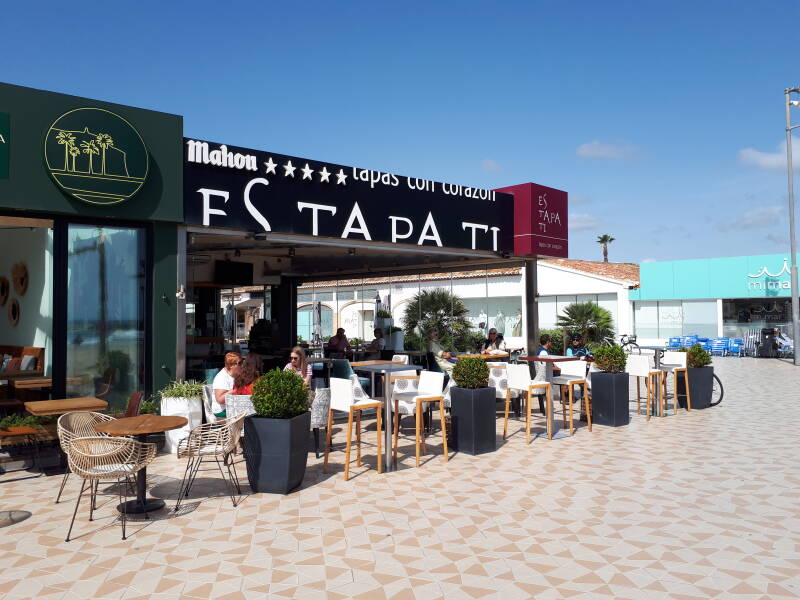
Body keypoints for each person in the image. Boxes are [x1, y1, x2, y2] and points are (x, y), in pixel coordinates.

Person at [212, 352, 241, 418]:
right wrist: (235, 390)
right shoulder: (222, 377)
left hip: (231, 407)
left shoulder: (235, 375)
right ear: (231, 365)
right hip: (222, 410)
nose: (242, 365)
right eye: (239, 363)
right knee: (247, 413)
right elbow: (220, 399)